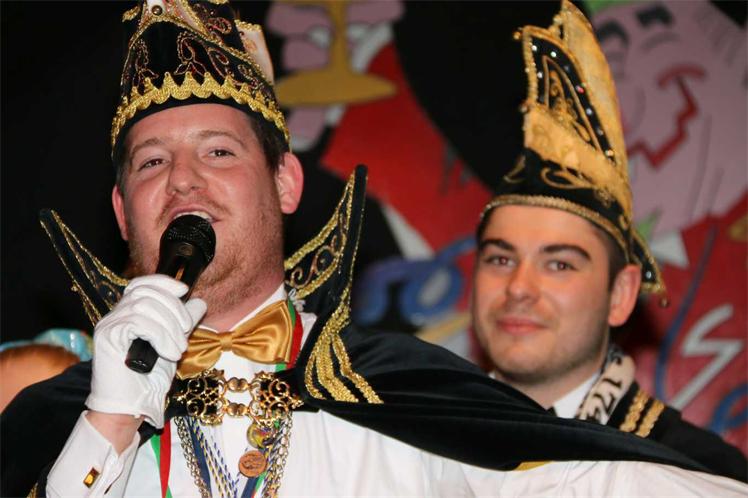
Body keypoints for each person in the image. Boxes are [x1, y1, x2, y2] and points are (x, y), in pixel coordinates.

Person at [2, 1, 747, 496]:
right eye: (151, 162)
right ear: (120, 209)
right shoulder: (56, 424)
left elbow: (606, 483)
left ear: (286, 183)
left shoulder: (401, 395)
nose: (183, 181)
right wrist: (108, 420)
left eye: (219, 152)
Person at [470, 0, 748, 485]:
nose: (518, 287)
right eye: (500, 258)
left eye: (559, 264)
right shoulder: (414, 445)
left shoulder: (698, 476)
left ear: (620, 295)